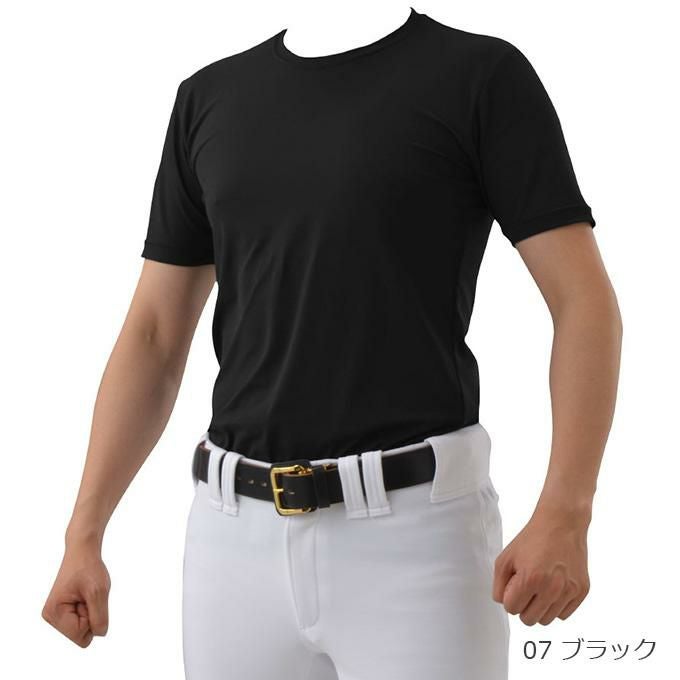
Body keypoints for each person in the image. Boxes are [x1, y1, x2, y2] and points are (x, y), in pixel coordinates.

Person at [41, 7, 622, 680]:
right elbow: (153, 334)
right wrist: (84, 531)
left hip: (416, 542)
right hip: (230, 544)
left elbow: (584, 303)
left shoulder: (480, 76)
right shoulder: (208, 97)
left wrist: (567, 511)